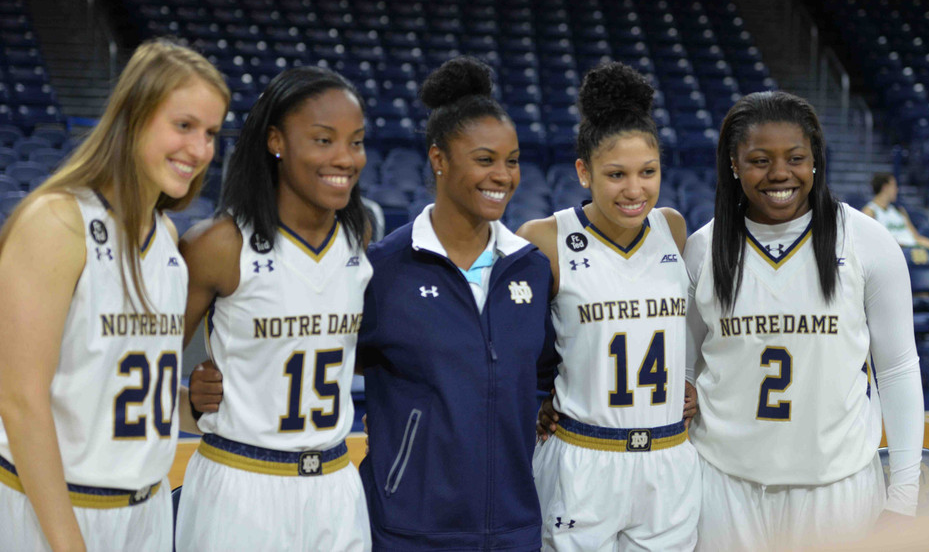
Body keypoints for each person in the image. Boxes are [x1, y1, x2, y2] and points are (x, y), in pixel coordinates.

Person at [0, 38, 229, 551]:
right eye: (184, 125)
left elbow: (109, 387)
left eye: (211, 133)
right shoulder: (57, 221)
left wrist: (191, 405)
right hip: (55, 514)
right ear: (133, 116)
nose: (199, 150)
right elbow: (19, 400)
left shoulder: (168, 238)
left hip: (144, 514)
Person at [683, 91, 924, 552]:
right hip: (721, 485)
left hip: (838, 488)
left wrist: (904, 497)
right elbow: (686, 371)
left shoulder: (867, 241)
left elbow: (897, 370)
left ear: (815, 159)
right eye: (759, 159)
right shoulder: (703, 248)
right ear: (734, 163)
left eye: (795, 157)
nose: (779, 174)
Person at [356, 56, 556, 550]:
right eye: (485, 160)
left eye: (512, 161)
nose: (504, 176)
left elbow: (546, 375)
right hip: (410, 529)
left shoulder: (530, 267)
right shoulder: (383, 269)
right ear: (439, 159)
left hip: (512, 528)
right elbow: (321, 357)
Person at [174, 66, 374, 551]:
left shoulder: (358, 235)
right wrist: (190, 404)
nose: (344, 158)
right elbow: (141, 360)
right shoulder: (217, 244)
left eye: (356, 142)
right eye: (324, 140)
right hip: (241, 482)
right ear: (275, 141)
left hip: (334, 480)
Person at [520, 62, 700, 550]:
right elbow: (515, 344)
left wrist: (695, 384)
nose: (635, 189)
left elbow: (698, 329)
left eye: (648, 172)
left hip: (668, 455)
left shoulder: (674, 229)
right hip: (583, 456)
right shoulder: (545, 238)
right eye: (616, 174)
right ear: (584, 171)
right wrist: (537, 401)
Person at [862, 172, 929, 250]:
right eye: (894, 186)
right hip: (895, 251)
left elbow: (916, 237)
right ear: (885, 187)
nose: (897, 190)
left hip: (913, 250)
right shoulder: (870, 211)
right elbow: (873, 242)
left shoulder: (899, 211)